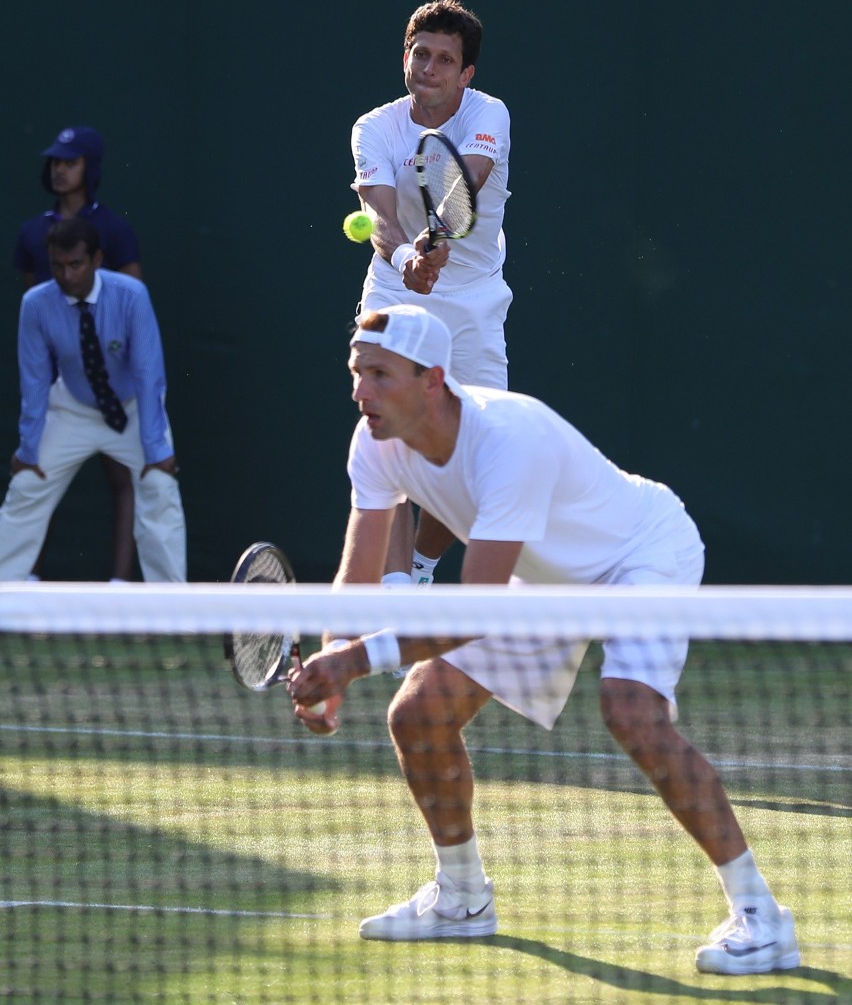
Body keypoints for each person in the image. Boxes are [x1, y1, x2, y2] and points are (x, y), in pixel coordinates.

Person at [289, 304, 801, 976]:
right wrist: (334, 660)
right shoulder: (374, 443)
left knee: (630, 711)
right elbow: (358, 571)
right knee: (418, 715)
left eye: (381, 375)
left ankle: (763, 917)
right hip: (542, 575)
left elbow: (474, 609)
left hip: (640, 554)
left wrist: (354, 660)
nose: (362, 392)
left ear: (432, 380)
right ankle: (462, 899)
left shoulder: (507, 438)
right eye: (358, 373)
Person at [350, 0, 514, 587]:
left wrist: (437, 238)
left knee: (473, 456)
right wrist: (404, 257)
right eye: (421, 54)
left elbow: (466, 178)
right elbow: (377, 209)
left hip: (473, 299)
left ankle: (420, 569)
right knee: (383, 428)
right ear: (405, 58)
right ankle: (395, 593)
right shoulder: (373, 126)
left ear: (466, 74)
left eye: (445, 60)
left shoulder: (489, 113)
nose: (430, 69)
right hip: (395, 289)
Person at [0, 218, 186, 583]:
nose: (66, 275)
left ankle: (171, 609)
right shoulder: (36, 305)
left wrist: (154, 447)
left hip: (133, 411)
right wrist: (29, 448)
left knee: (159, 487)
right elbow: (35, 381)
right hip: (71, 409)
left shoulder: (132, 295)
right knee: (27, 485)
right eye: (57, 265)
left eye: (75, 264)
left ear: (97, 259)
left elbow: (149, 375)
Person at [13, 125, 142, 581]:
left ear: (91, 168)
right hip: (61, 385)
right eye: (56, 163)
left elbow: (133, 299)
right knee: (34, 482)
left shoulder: (113, 228)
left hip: (116, 386)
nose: (61, 170)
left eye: (71, 162)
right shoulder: (33, 233)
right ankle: (22, 582)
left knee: (123, 480)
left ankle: (121, 584)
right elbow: (40, 308)